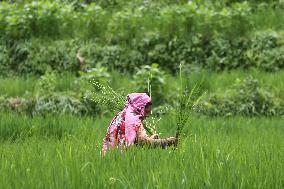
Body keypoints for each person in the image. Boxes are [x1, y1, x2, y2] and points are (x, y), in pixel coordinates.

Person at [102, 93, 177, 156]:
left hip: (108, 155)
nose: (147, 115)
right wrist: (167, 141)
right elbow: (144, 143)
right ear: (140, 107)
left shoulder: (121, 115)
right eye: (146, 111)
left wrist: (151, 138)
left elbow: (137, 140)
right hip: (121, 158)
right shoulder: (134, 120)